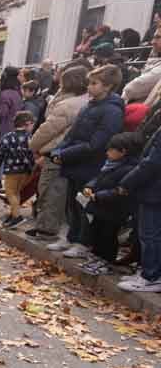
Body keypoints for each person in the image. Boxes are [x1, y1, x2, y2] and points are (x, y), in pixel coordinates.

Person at [46, 63, 125, 258]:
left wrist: (64, 154)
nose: (89, 87)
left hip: (91, 165)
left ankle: (83, 242)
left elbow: (96, 144)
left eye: (94, 83)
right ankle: (71, 237)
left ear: (107, 86)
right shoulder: (90, 105)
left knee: (84, 205)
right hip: (75, 162)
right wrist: (59, 150)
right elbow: (72, 134)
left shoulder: (112, 111)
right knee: (72, 203)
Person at [27, 66, 89, 241]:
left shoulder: (67, 105)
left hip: (55, 151)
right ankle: (47, 226)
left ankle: (46, 228)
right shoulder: (82, 101)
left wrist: (33, 144)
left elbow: (49, 129)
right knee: (56, 192)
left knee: (50, 191)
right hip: (65, 151)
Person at [80, 131, 143, 275]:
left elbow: (120, 191)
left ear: (123, 152)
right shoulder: (110, 164)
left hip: (115, 209)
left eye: (111, 149)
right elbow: (98, 178)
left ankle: (106, 260)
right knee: (97, 231)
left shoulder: (129, 169)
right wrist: (89, 187)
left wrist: (99, 196)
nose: (107, 152)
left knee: (108, 235)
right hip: (100, 206)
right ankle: (96, 257)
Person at [116, 119, 161, 292]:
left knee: (150, 235)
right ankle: (150, 273)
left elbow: (152, 162)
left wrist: (128, 182)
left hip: (155, 189)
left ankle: (151, 276)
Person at [0, 111, 36, 228]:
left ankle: (17, 217)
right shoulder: (29, 137)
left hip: (12, 170)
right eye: (32, 125)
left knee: (10, 193)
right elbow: (32, 154)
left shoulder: (8, 137)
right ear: (27, 124)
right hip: (25, 170)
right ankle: (13, 214)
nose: (32, 127)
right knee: (17, 193)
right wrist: (32, 167)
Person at [0, 67, 23, 191]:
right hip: (14, 127)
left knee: (0, 156)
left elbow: (1, 113)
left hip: (4, 128)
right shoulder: (18, 93)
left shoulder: (5, 94)